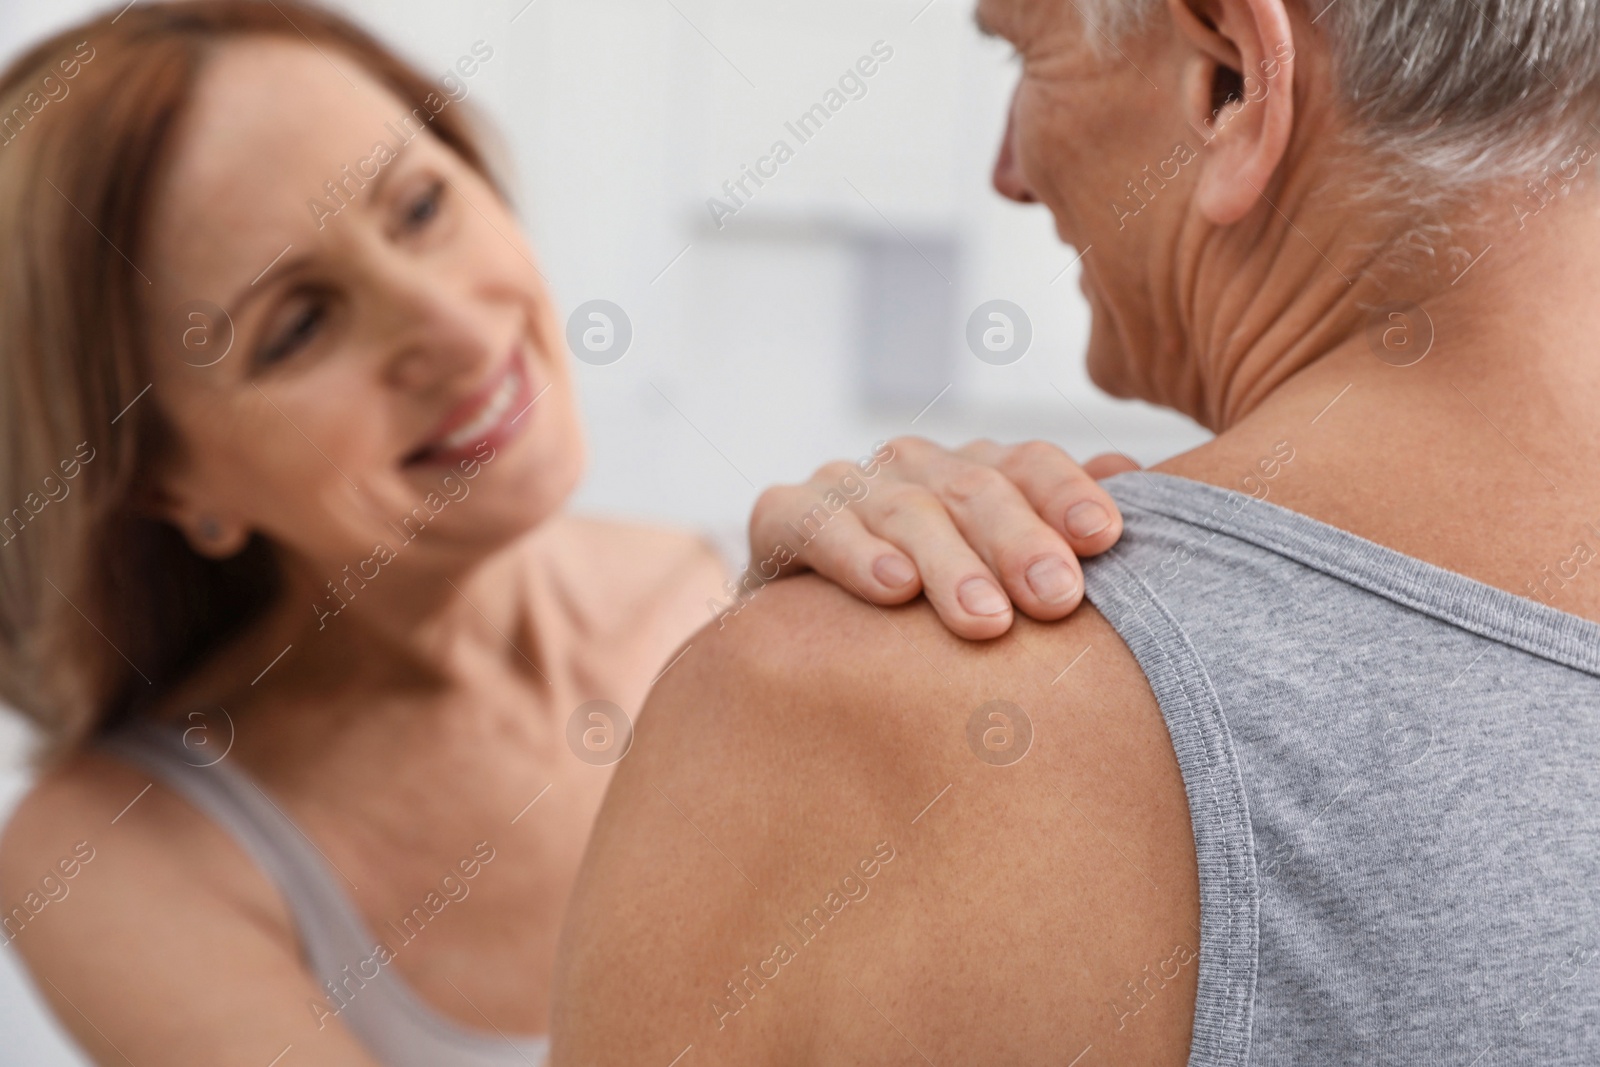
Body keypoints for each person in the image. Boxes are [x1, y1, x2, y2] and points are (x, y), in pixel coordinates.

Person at [0, 3, 1139, 1065]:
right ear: (164, 484)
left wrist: (1010, 639)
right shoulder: (117, 850)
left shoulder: (796, 598)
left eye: (420, 207)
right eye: (296, 324)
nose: (449, 323)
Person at [550, 0, 1600, 1063]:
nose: (1009, 168)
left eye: (1024, 54)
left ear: (1228, 79)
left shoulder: (829, 713)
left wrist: (789, 669)